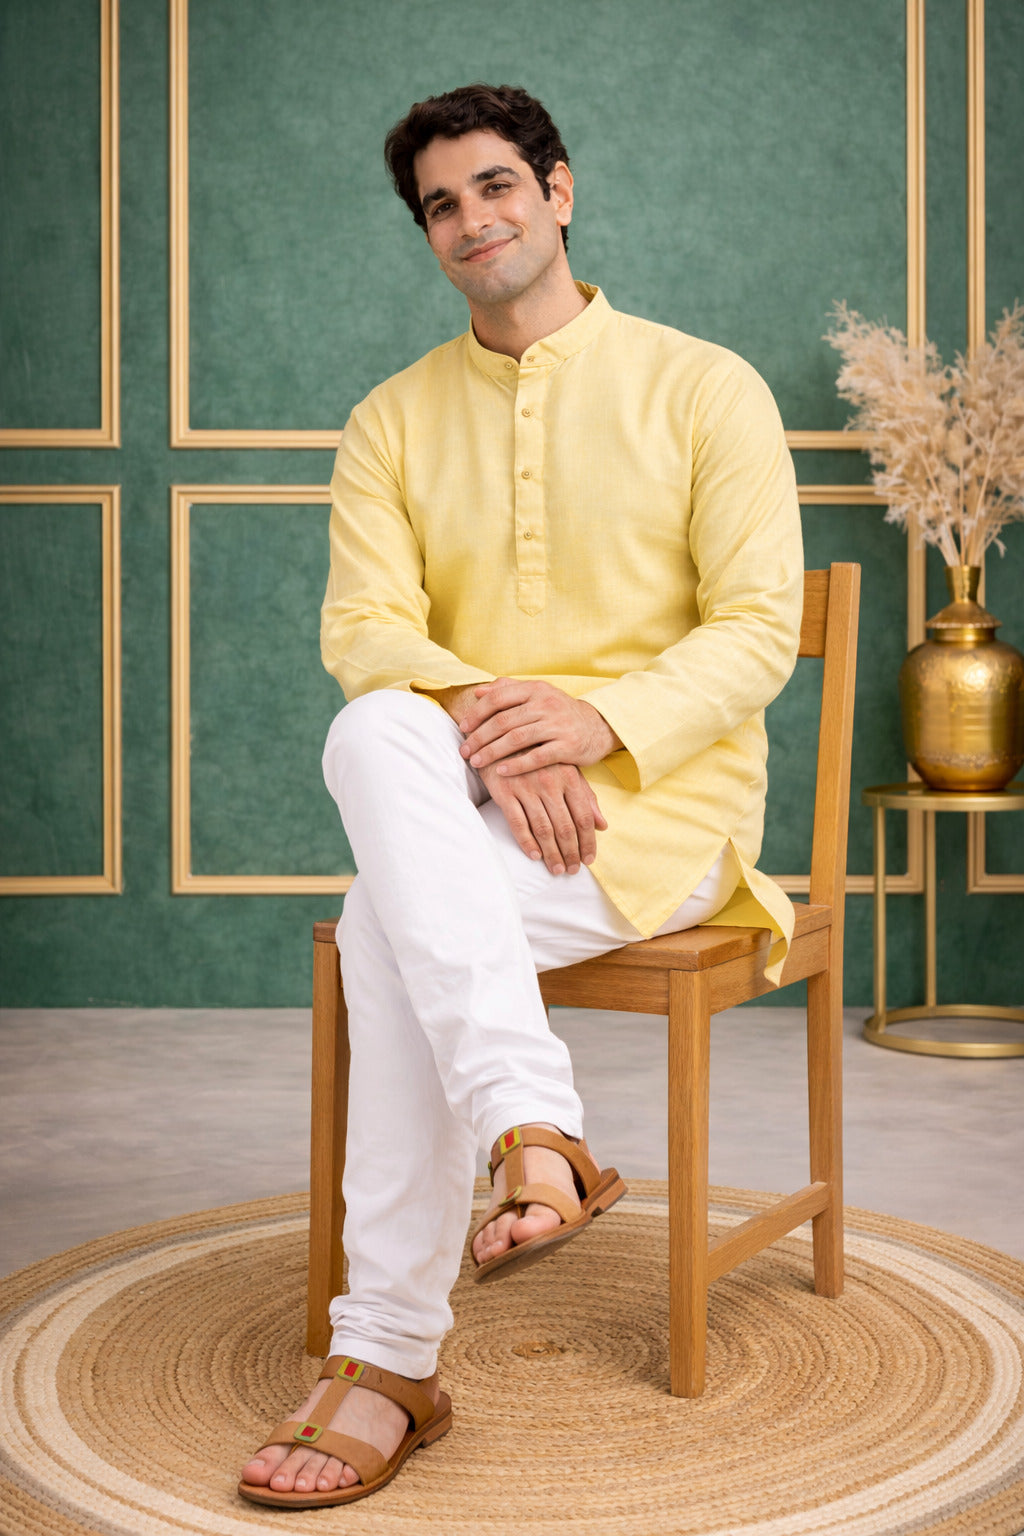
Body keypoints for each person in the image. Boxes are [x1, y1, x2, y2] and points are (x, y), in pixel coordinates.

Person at [239, 82, 803, 1510]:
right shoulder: (390, 421)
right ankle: (533, 1131)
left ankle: (390, 1356)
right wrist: (505, 740)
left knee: (384, 930)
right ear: (427, 234)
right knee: (375, 721)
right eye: (440, 205)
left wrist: (595, 723)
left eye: (495, 185)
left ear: (558, 190)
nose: (470, 219)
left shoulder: (707, 387)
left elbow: (756, 630)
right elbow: (367, 632)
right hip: (471, 801)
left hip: (659, 811)